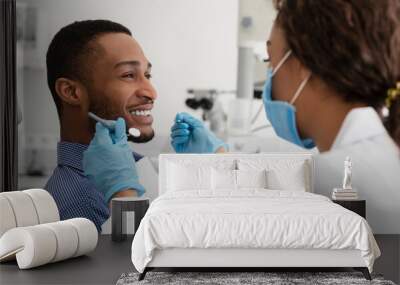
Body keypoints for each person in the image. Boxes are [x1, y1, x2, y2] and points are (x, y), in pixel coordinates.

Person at [170, 0, 400, 234]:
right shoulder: (382, 152)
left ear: (304, 67)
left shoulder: (324, 183)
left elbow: (259, 203)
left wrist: (215, 160)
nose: (270, 76)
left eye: (270, 61)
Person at [45, 20, 157, 231]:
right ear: (71, 92)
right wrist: (123, 195)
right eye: (128, 75)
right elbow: (136, 262)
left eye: (147, 75)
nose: (151, 92)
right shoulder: (81, 206)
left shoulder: (131, 166)